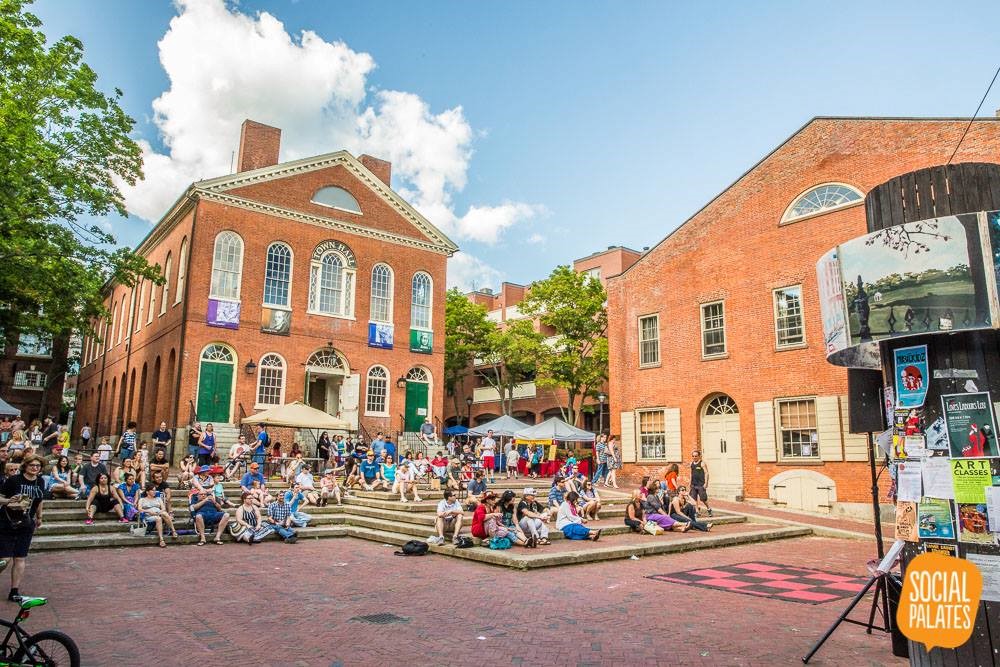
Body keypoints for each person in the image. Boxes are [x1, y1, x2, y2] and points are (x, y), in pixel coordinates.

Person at [0, 455, 47, 600]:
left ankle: (14, 591)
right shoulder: (14, 480)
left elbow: (39, 501)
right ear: (25, 466)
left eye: (38, 466)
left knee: (20, 557)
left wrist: (39, 517)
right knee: (5, 559)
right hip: (7, 522)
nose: (35, 468)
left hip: (26, 523)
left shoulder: (40, 481)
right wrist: (9, 501)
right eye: (32, 465)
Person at [689, 450, 712, 517]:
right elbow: (691, 474)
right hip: (693, 484)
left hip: (700, 484)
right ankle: (697, 512)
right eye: (693, 456)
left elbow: (706, 473)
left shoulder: (702, 463)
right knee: (694, 499)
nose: (694, 457)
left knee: (703, 499)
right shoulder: (691, 464)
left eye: (696, 456)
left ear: (699, 456)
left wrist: (706, 483)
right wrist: (690, 483)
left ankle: (709, 508)